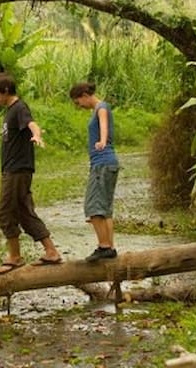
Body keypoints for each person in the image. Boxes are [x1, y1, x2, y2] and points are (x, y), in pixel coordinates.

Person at [0, 72, 62, 274]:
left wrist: (36, 135)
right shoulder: (11, 110)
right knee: (23, 212)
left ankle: (15, 257)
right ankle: (51, 252)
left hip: (17, 170)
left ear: (5, 91)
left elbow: (32, 123)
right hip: (14, 169)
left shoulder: (19, 107)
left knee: (5, 212)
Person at [69, 82, 120, 262]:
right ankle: (110, 247)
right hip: (107, 164)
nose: (79, 106)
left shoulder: (101, 107)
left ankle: (104, 246)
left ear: (84, 94)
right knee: (105, 209)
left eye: (78, 102)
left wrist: (102, 140)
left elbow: (104, 121)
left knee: (93, 207)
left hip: (102, 163)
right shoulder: (98, 109)